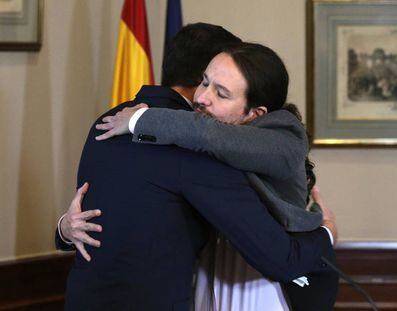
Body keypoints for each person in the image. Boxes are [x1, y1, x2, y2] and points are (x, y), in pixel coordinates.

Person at [56, 24, 337, 310]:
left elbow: (101, 218)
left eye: (222, 91)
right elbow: (280, 259)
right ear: (205, 70)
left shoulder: (107, 122)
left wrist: (63, 230)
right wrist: (327, 232)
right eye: (206, 82)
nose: (203, 98)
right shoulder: (195, 149)